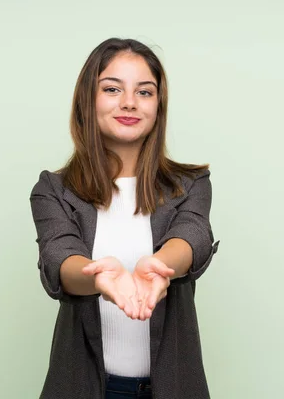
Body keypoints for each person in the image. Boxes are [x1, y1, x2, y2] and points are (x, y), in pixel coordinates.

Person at [29, 37, 220, 399]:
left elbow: (192, 235)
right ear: (89, 99)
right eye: (112, 88)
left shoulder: (192, 183)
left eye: (144, 92)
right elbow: (60, 258)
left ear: (158, 106)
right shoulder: (53, 189)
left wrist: (161, 265)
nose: (129, 102)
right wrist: (99, 277)